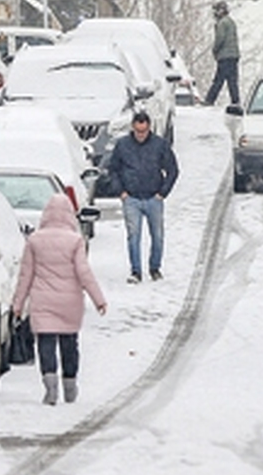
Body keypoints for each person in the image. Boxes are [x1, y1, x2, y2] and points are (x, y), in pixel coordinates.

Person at [12, 194, 107, 405]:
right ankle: (70, 385)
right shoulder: (75, 241)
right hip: (69, 301)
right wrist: (98, 299)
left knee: (45, 342)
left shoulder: (34, 240)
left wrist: (18, 304)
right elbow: (84, 273)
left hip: (42, 301)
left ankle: (50, 385)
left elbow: (25, 275)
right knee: (69, 343)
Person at [106, 111, 179, 284]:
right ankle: (136, 270)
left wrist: (162, 193)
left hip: (154, 197)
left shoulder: (159, 145)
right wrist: (121, 192)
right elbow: (113, 169)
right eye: (138, 131)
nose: (141, 135)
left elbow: (173, 170)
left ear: (149, 128)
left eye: (144, 131)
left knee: (158, 235)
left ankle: (155, 268)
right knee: (133, 235)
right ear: (133, 127)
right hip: (131, 197)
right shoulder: (123, 145)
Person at [204, 1, 240, 106]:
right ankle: (235, 101)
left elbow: (220, 39)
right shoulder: (231, 22)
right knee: (232, 81)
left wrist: (214, 50)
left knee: (218, 80)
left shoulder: (222, 23)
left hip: (225, 56)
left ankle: (210, 99)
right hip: (234, 56)